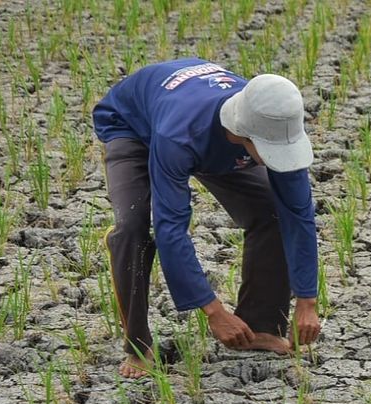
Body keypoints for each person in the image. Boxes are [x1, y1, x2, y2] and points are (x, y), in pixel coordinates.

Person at [92, 58, 322, 378]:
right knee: (132, 228)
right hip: (134, 125)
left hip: (207, 132)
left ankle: (260, 325)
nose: (279, 158)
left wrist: (307, 301)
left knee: (272, 210)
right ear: (245, 134)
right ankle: (138, 346)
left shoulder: (274, 117)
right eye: (271, 151)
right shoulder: (180, 135)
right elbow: (171, 227)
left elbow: (298, 213)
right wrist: (213, 311)